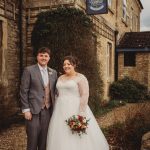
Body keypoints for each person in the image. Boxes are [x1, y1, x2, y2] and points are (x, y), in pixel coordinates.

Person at [46, 56, 109, 150]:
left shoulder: (80, 77)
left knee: (75, 133)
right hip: (60, 109)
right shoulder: (60, 78)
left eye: (69, 64)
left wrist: (81, 113)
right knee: (61, 132)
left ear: (74, 65)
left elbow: (85, 94)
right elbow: (56, 93)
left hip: (75, 108)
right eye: (64, 64)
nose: (66, 66)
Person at [20, 47, 57, 150]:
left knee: (44, 141)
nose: (43, 58)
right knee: (32, 140)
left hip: (47, 110)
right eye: (41, 55)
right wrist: (26, 109)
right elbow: (24, 91)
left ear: (49, 58)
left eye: (46, 56)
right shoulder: (29, 70)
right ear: (37, 57)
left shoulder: (53, 72)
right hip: (33, 111)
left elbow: (54, 91)